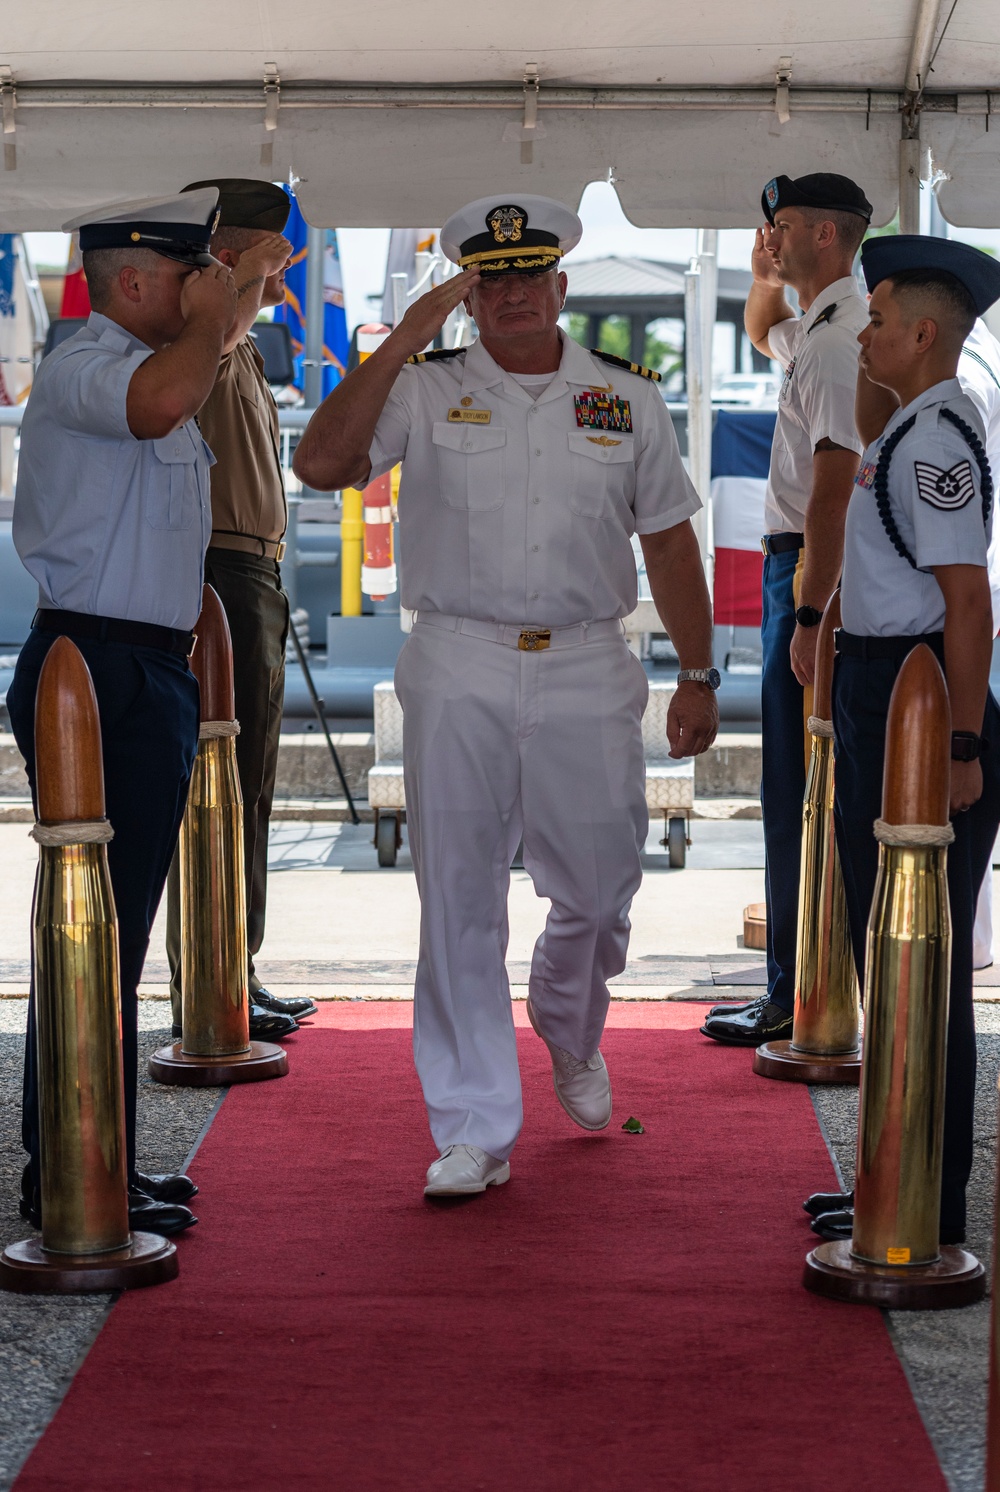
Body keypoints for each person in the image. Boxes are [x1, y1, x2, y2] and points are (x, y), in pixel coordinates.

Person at [293, 195, 719, 1197]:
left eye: (532, 276)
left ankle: (568, 1024)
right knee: (457, 898)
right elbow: (320, 465)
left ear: (561, 286)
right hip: (458, 657)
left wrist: (698, 674)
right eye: (493, 281)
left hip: (584, 659)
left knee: (603, 883)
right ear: (468, 296)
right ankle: (472, 1126)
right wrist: (401, 338)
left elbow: (666, 536)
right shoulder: (425, 388)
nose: (515, 294)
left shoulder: (625, 396)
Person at [7, 189, 238, 1236]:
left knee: (118, 933)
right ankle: (66, 1168)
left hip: (144, 670)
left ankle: (95, 1154)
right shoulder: (87, 364)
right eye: (194, 273)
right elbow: (157, 407)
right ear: (135, 279)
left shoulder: (159, 363)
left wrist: (216, 320)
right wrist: (210, 326)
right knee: (91, 931)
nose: (211, 291)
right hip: (91, 668)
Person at [803, 236, 1000, 1246]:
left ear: (923, 333)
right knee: (887, 955)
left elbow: (967, 604)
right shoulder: (913, 423)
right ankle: (896, 1176)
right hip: (888, 682)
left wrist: (960, 744)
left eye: (878, 319)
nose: (864, 332)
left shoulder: (932, 441)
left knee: (921, 958)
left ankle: (927, 1197)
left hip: (922, 697)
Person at [701, 173, 872, 1047]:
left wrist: (811, 615)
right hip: (798, 569)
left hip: (808, 573)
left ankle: (803, 991)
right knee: (789, 783)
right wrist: (763, 275)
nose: (772, 237)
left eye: (787, 228)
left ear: (829, 238)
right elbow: (764, 329)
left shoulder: (844, 342)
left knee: (801, 786)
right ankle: (795, 984)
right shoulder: (824, 326)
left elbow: (836, 487)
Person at [162, 178, 317, 1041]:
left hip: (250, 573)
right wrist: (240, 275)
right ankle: (212, 977)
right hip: (220, 572)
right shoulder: (208, 333)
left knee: (247, 784)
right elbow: (215, 335)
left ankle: (234, 967)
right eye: (275, 264)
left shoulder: (242, 344)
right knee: (219, 784)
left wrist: (252, 280)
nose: (284, 285)